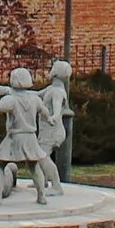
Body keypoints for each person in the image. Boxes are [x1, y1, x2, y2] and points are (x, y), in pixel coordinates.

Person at [0, 66, 59, 202]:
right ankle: (41, 196)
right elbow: (44, 110)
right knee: (34, 166)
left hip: (14, 137)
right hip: (30, 137)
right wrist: (50, 118)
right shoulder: (34, 99)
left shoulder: (10, 99)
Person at [40, 57, 76, 185]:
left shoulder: (57, 92)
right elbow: (36, 94)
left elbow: (56, 111)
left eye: (52, 68)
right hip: (47, 130)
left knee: (43, 156)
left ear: (56, 72)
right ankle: (42, 181)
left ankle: (56, 185)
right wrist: (16, 93)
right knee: (40, 155)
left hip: (53, 131)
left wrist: (52, 117)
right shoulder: (51, 88)